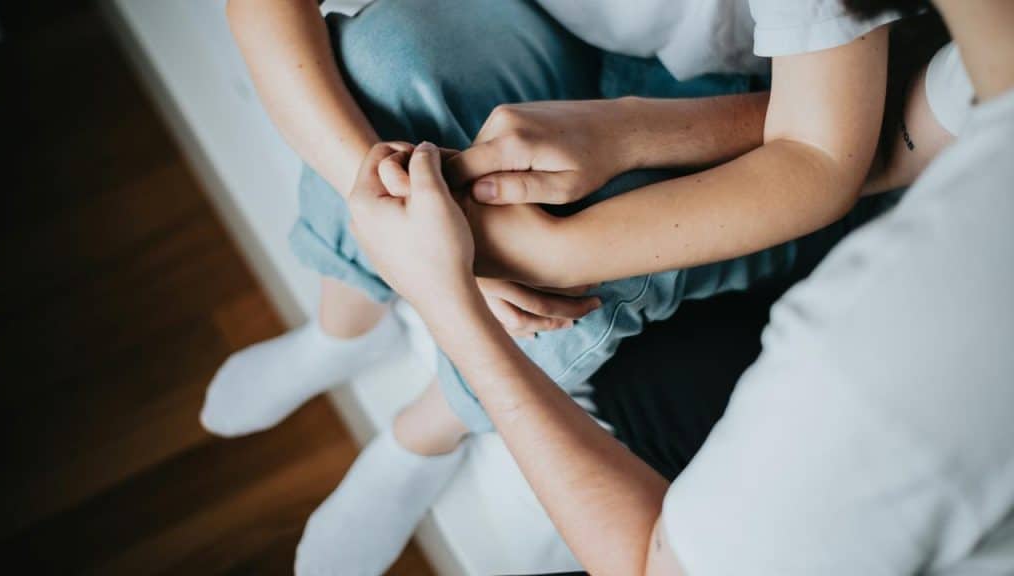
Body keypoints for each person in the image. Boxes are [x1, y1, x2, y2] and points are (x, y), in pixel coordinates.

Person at [202, 0, 962, 573]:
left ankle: (423, 433)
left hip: (754, 96)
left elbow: (829, 148)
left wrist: (542, 248)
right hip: (540, 22)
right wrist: (376, 197)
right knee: (381, 67)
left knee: (611, 246)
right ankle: (342, 331)